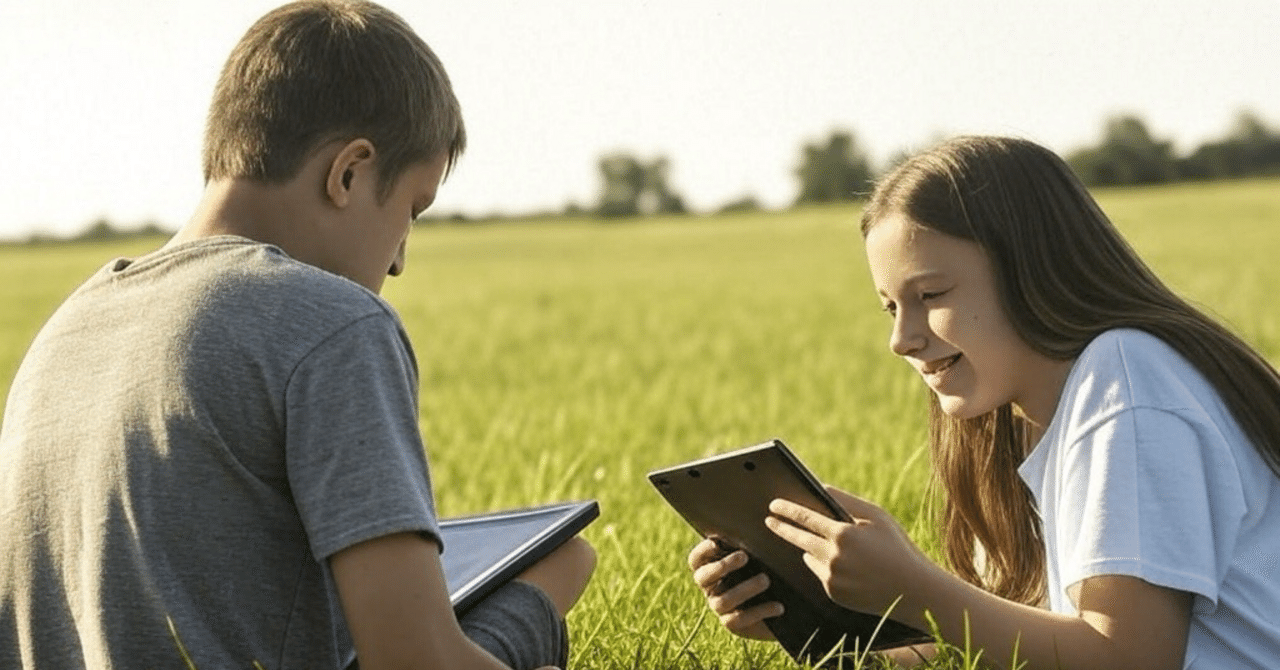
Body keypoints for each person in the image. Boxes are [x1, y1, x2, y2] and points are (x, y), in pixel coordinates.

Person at [0, 2, 594, 669]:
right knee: (561, 566)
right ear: (349, 173)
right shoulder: (332, 321)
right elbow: (414, 662)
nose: (400, 259)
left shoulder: (63, 333)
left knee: (561, 558)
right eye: (411, 211)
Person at [688, 135, 1280, 669]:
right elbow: (1022, 643)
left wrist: (914, 589)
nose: (902, 338)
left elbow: (1129, 659)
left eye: (931, 295)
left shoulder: (1127, 384)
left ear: (1032, 266)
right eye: (891, 307)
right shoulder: (1016, 420)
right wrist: (831, 629)